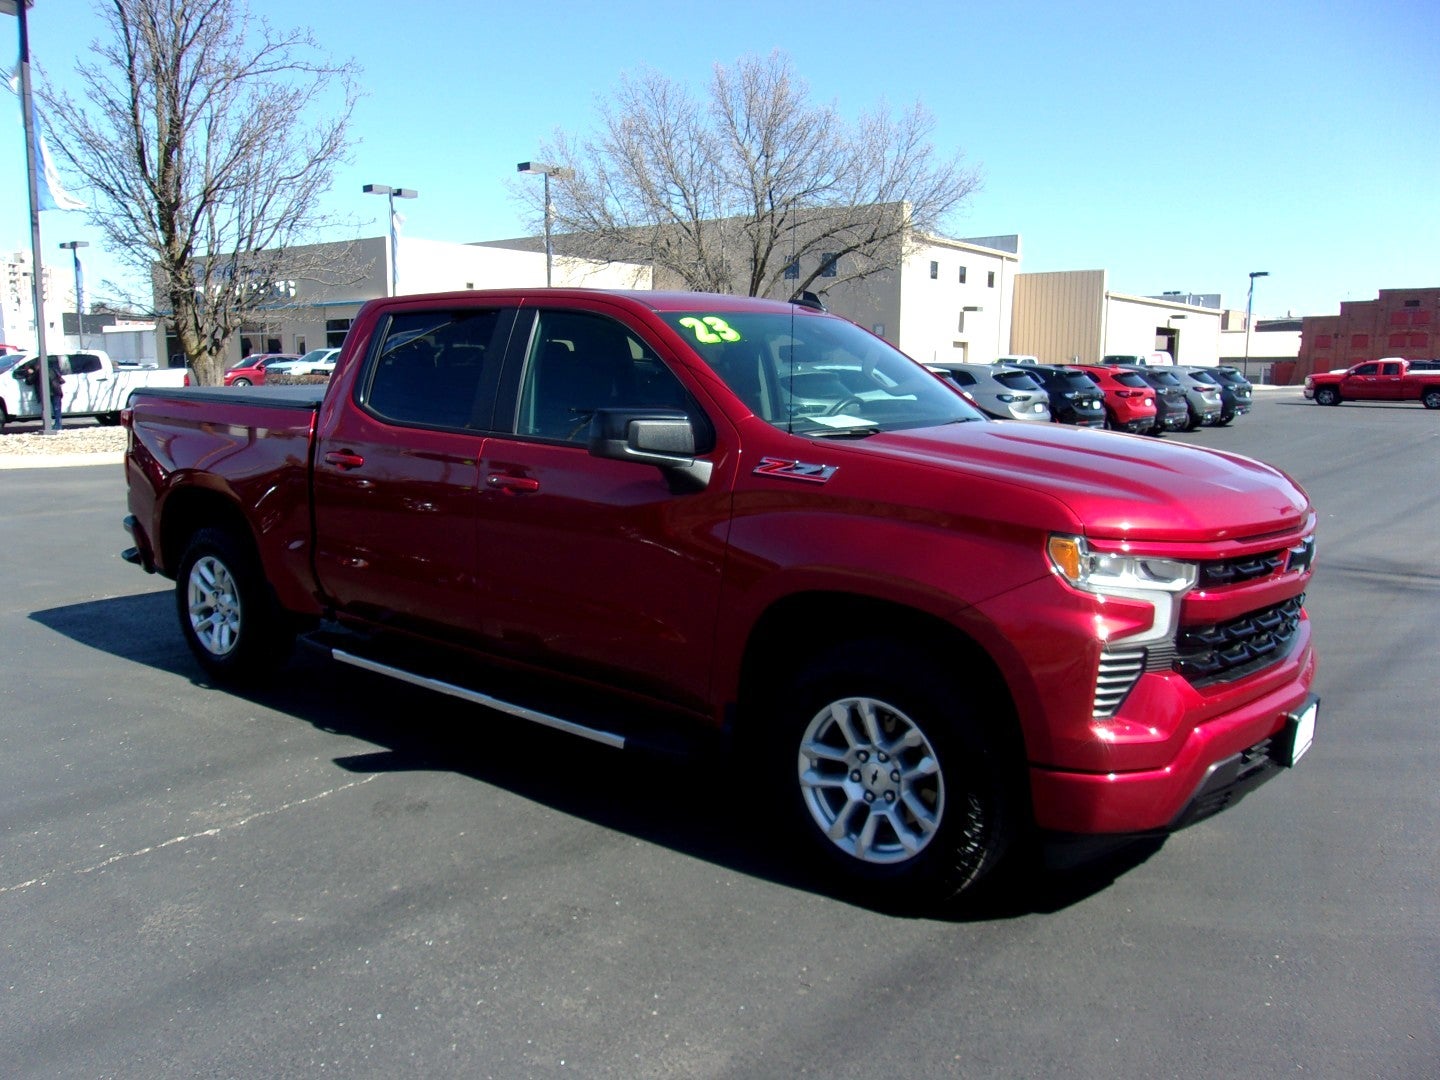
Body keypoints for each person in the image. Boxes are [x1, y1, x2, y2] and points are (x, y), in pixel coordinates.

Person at [24, 357, 65, 430]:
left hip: (48, 393)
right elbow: (61, 380)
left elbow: (29, 381)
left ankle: (50, 426)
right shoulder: (51, 369)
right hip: (56, 391)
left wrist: (29, 373)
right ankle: (58, 425)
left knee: (47, 410)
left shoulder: (38, 372)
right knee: (57, 409)